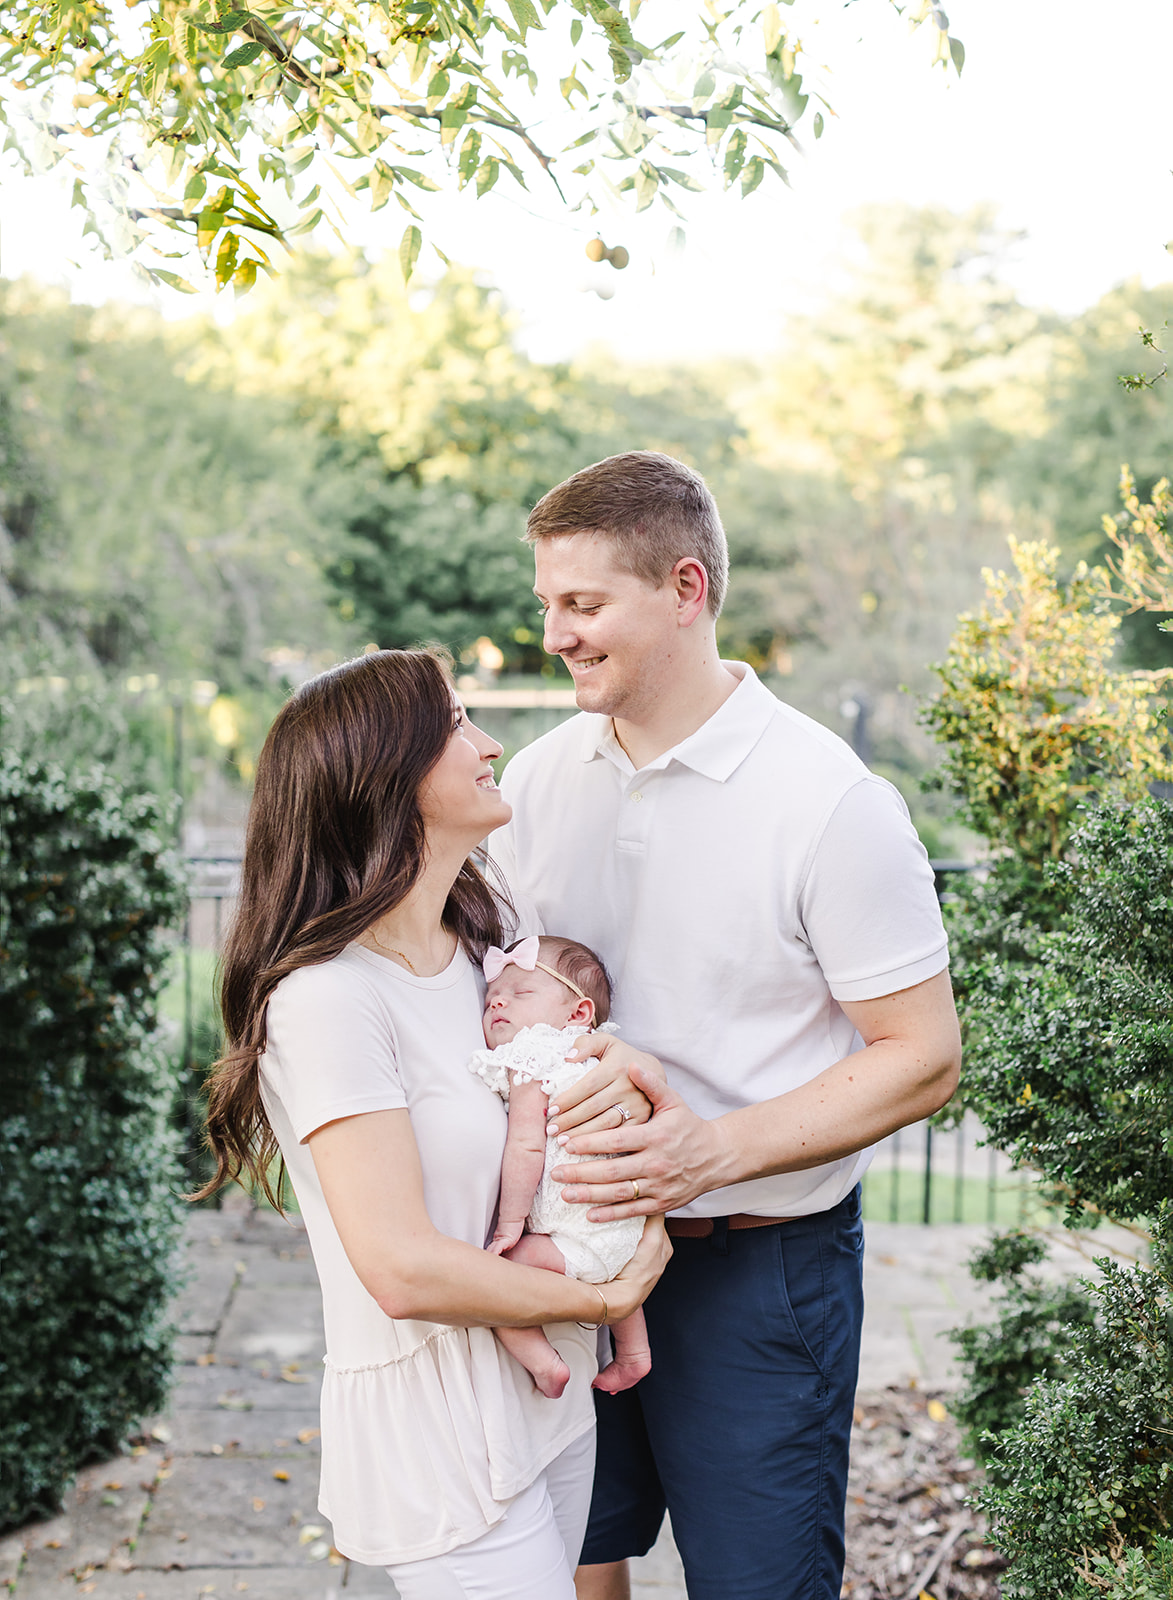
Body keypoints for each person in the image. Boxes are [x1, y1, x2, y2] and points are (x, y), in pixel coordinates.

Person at [491, 451, 963, 1600]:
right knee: (569, 1561)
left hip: (761, 1273)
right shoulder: (536, 784)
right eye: (548, 603)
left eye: (585, 604)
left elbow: (924, 1054)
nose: (554, 632)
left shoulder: (832, 802)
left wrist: (710, 1148)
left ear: (687, 588)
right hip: (563, 1265)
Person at [194, 648, 669, 1600]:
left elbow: (568, 1100)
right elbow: (404, 1269)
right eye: (457, 725)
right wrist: (604, 1301)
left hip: (549, 1397)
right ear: (386, 775)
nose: (489, 744)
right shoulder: (325, 1000)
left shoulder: (491, 940)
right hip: (436, 1429)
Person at [470, 934, 652, 1401]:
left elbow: (527, 1147)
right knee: (617, 1272)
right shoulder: (601, 1058)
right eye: (492, 998)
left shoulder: (534, 1055)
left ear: (578, 1013)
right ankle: (633, 1354)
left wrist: (510, 1224)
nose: (499, 1003)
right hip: (625, 1228)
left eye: (522, 993)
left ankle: (543, 1361)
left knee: (493, 1278)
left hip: (574, 1233)